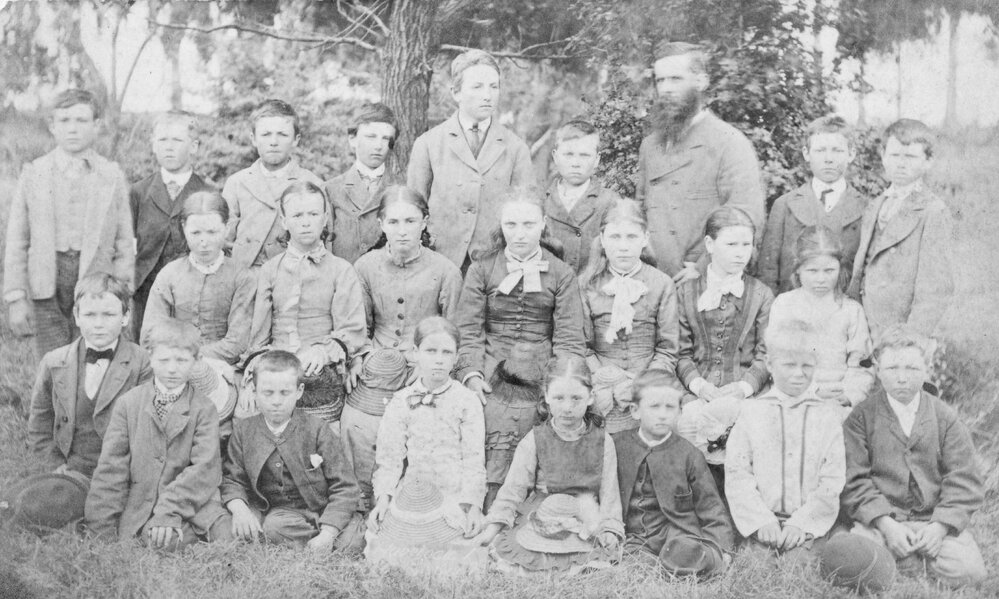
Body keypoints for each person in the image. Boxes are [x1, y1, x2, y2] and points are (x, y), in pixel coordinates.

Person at [841, 326, 987, 588]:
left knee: (971, 573)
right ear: (877, 369)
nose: (902, 378)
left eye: (912, 369)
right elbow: (854, 480)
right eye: (892, 369)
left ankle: (908, 560)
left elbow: (963, 478)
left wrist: (940, 528)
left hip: (931, 521)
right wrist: (885, 524)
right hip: (883, 523)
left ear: (926, 369)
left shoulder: (945, 417)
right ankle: (905, 559)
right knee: (858, 559)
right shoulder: (861, 418)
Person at [4, 89, 134, 357]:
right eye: (64, 121)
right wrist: (16, 296)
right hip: (46, 282)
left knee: (93, 359)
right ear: (52, 126)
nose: (72, 129)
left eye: (81, 120)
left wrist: (123, 292)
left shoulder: (111, 174)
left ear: (96, 126)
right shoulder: (33, 173)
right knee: (52, 362)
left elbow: (124, 241)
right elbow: (17, 241)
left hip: (96, 280)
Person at [84, 319, 231, 549]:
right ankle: (161, 533)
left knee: (224, 533)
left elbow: (204, 469)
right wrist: (100, 530)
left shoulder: (204, 408)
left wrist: (168, 511)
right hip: (142, 501)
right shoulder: (128, 404)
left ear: (196, 361)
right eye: (164, 360)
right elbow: (111, 468)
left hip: (189, 500)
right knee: (158, 541)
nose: (172, 369)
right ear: (150, 358)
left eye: (182, 360)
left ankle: (179, 530)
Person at [476, 356, 623, 575]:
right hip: (543, 516)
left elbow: (610, 494)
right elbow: (513, 490)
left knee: (593, 564)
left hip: (584, 515)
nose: (567, 407)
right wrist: (492, 528)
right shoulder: (535, 439)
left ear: (591, 397)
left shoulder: (603, 441)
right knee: (520, 557)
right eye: (559, 398)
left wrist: (609, 529)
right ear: (546, 396)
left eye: (576, 398)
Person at [26, 274, 151, 524]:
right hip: (73, 469)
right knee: (42, 501)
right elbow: (39, 426)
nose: (99, 324)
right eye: (90, 315)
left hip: (119, 472)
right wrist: (55, 465)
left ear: (125, 317)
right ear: (76, 316)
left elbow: (147, 431)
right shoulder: (54, 361)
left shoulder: (141, 363)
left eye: (108, 315)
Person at [635, 42, 764, 283]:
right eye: (660, 81)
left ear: (701, 81)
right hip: (652, 281)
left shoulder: (729, 142)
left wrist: (704, 267)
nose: (666, 89)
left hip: (703, 281)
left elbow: (747, 218)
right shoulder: (650, 146)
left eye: (675, 79)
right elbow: (640, 211)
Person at [246, 182, 369, 424]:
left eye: (313, 214)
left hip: (322, 366)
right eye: (297, 215)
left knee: (320, 421)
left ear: (325, 219)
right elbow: (258, 336)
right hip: (277, 364)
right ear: (284, 220)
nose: (305, 222)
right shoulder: (270, 270)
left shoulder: (340, 269)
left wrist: (323, 351)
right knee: (251, 416)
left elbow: (352, 330)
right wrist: (255, 373)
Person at [724, 319, 846, 563]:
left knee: (797, 565)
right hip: (763, 521)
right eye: (789, 365)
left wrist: (802, 524)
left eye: (807, 366)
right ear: (770, 364)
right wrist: (761, 521)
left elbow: (832, 480)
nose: (798, 374)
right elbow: (738, 473)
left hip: (807, 524)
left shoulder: (828, 416)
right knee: (756, 568)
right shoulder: (752, 412)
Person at [221, 350, 365, 552]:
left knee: (350, 544)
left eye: (285, 392)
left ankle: (328, 535)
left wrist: (329, 531)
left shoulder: (317, 429)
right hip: (285, 514)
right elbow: (233, 479)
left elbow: (345, 486)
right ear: (254, 391)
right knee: (274, 528)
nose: (276, 401)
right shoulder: (244, 431)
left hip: (324, 505)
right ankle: (317, 542)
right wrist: (240, 510)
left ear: (299, 391)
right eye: (267, 393)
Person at [407, 49, 535, 269]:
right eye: (477, 87)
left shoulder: (515, 148)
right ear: (456, 92)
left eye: (494, 87)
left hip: (495, 266)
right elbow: (414, 210)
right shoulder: (428, 144)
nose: (488, 95)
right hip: (440, 263)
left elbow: (527, 212)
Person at [455, 191, 586, 403]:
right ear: (501, 225)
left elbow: (569, 339)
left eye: (529, 224)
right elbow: (468, 330)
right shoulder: (481, 270)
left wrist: (560, 380)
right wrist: (471, 375)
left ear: (543, 224)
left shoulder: (562, 273)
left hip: (543, 368)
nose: (520, 234)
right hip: (490, 365)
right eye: (511, 225)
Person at [674, 206, 772, 489]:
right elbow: (679, 351)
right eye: (731, 244)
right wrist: (698, 386)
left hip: (745, 393)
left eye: (746, 244)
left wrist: (743, 388)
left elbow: (766, 354)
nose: (740, 253)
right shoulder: (686, 292)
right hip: (695, 392)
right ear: (709, 244)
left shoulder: (762, 294)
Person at [369, 317, 486, 537]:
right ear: (415, 353)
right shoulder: (401, 400)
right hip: (413, 495)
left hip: (454, 496)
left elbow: (474, 460)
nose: (439, 360)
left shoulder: (467, 401)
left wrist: (473, 506)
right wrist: (383, 499)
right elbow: (390, 458)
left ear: (456, 358)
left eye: (446, 353)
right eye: (431, 351)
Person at [614, 370, 733, 577]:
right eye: (654, 406)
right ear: (635, 411)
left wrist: (722, 548)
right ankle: (649, 563)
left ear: (679, 412)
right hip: (634, 534)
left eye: (670, 407)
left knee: (684, 551)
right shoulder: (618, 445)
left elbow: (710, 506)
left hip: (675, 531)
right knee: (633, 564)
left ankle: (693, 559)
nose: (662, 414)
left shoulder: (689, 454)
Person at [847, 119, 954, 342]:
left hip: (899, 330)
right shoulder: (875, 205)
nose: (901, 164)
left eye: (911, 157)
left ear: (928, 161)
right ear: (883, 156)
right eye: (895, 156)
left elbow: (936, 288)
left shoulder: (932, 210)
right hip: (865, 322)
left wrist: (912, 337)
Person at [579, 199, 678, 434]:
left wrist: (640, 383)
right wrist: (601, 376)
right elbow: (582, 346)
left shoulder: (662, 284)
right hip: (600, 381)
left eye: (631, 237)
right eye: (615, 237)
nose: (623, 246)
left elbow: (667, 350)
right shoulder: (586, 285)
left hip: (648, 383)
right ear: (602, 240)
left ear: (645, 239)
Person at [141, 191, 255, 366]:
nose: (204, 241)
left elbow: (237, 342)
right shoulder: (169, 274)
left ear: (226, 228)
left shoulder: (241, 276)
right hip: (172, 367)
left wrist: (189, 357)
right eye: (195, 233)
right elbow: (150, 334)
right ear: (184, 227)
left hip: (223, 368)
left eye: (212, 232)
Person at [768, 226, 874, 413]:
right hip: (794, 396)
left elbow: (861, 364)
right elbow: (777, 360)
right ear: (798, 269)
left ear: (840, 268)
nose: (821, 279)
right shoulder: (784, 305)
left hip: (838, 399)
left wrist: (849, 396)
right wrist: (811, 391)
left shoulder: (851, 310)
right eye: (812, 271)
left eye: (829, 270)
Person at [759, 115, 868, 294]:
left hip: (844, 313)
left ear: (851, 154)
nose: (828, 159)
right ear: (806, 153)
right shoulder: (784, 205)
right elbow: (768, 271)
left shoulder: (867, 208)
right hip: (793, 312)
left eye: (837, 150)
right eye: (820, 150)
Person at [353, 185, 462, 360]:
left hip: (426, 364)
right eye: (393, 222)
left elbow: (453, 333)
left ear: (424, 222)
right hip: (377, 361)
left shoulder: (446, 271)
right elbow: (359, 327)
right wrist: (360, 359)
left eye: (410, 221)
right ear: (382, 224)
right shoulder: (365, 267)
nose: (402, 231)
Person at [130, 111, 212, 336]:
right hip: (145, 291)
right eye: (162, 140)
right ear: (153, 146)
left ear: (193, 147)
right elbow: (126, 244)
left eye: (177, 140)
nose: (169, 147)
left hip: (192, 290)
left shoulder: (207, 193)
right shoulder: (138, 192)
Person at [222, 99, 323, 270]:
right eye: (266, 134)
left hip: (294, 275)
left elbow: (321, 241)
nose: (274, 141)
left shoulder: (311, 183)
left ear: (295, 139)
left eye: (282, 135)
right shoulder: (237, 183)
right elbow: (224, 239)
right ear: (253, 139)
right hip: (245, 277)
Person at [326, 103, 401, 263]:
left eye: (386, 138)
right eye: (371, 137)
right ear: (352, 139)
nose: (379, 146)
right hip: (346, 279)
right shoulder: (331, 189)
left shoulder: (400, 188)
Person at [543, 120, 618, 274]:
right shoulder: (541, 200)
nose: (575, 163)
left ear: (597, 159)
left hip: (591, 289)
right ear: (556, 157)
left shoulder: (610, 201)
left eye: (584, 155)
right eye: (568, 154)